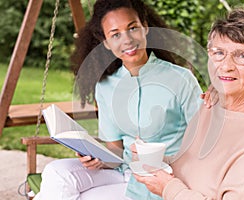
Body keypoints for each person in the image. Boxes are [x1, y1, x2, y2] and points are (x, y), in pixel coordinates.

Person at [35, 0, 210, 199]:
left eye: (132, 28)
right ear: (106, 43)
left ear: (145, 28)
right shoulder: (106, 85)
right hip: (124, 173)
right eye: (115, 34)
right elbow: (116, 152)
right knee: (56, 173)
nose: (127, 40)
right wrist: (98, 159)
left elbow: (203, 140)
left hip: (163, 179)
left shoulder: (181, 79)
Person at [134, 8, 244, 199]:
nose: (226, 66)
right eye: (219, 53)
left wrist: (169, 188)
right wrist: (155, 161)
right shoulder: (213, 104)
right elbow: (191, 167)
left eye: (242, 56)